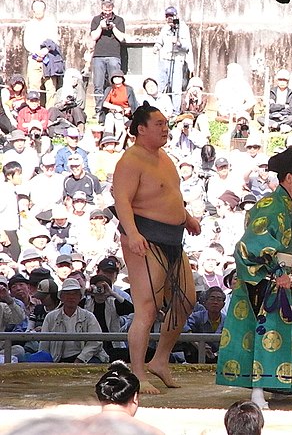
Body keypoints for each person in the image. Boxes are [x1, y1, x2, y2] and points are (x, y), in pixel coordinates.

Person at [112, 102, 200, 394]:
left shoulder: (163, 157)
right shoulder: (130, 161)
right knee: (147, 308)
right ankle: (137, 372)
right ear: (141, 129)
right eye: (159, 124)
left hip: (173, 237)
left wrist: (186, 217)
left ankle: (160, 359)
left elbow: (171, 193)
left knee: (186, 300)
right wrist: (134, 234)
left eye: (165, 124)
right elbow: (122, 201)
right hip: (144, 238)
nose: (165, 128)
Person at [216, 146, 292, 409]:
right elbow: (250, 244)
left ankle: (278, 385)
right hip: (265, 278)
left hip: (279, 277)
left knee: (283, 330)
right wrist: (278, 272)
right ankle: (257, 391)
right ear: (289, 178)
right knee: (263, 332)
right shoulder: (271, 205)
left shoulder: (286, 205)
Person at [39, 278, 109, 363]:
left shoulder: (89, 316)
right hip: (58, 359)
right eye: (67, 294)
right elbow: (44, 345)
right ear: (61, 297)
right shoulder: (50, 317)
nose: (71, 297)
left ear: (80, 297)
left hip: (86, 358)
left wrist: (81, 358)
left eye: (75, 294)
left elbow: (96, 342)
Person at [90, 0, 126, 116]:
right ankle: (99, 110)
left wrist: (113, 27)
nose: (107, 12)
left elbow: (122, 38)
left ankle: (114, 107)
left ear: (112, 8)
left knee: (115, 83)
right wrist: (100, 27)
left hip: (114, 55)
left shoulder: (119, 20)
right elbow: (94, 36)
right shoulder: (96, 20)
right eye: (105, 9)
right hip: (98, 56)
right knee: (98, 84)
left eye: (109, 9)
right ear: (101, 8)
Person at [153, 7, 192, 113]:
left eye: (171, 16)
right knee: (160, 86)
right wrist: (156, 47)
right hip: (164, 60)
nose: (169, 18)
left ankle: (175, 111)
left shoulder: (183, 28)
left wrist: (178, 43)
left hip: (177, 61)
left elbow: (187, 47)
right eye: (167, 16)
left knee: (176, 89)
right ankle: (157, 109)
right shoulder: (165, 28)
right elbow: (160, 41)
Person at [23, 0, 59, 103]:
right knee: (34, 87)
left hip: (49, 58)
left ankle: (51, 114)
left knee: (51, 87)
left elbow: (54, 40)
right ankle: (34, 112)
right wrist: (37, 53)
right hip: (34, 59)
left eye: (40, 9)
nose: (38, 11)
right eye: (35, 9)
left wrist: (46, 50)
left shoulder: (51, 23)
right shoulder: (29, 24)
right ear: (32, 10)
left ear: (44, 9)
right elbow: (27, 42)